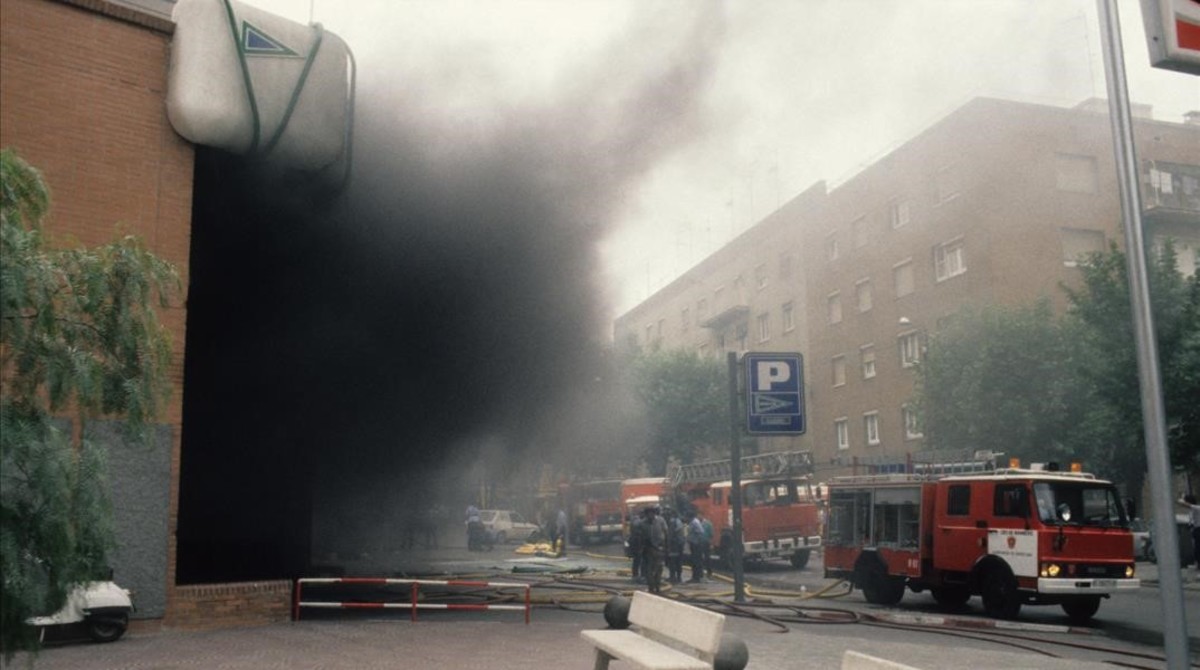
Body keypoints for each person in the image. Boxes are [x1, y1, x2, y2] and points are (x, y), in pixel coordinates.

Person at [646, 506, 668, 594]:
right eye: (648, 514)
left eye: (652, 513)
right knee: (649, 570)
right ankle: (651, 587)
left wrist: (666, 546)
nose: (650, 515)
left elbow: (666, 532)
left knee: (659, 569)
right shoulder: (643, 523)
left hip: (659, 549)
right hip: (648, 550)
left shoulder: (661, 520)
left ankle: (657, 586)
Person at [666, 509, 685, 584]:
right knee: (679, 561)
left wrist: (668, 544)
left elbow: (671, 534)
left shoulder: (672, 522)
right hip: (679, 544)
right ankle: (678, 577)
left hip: (673, 545)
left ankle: (672, 577)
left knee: (672, 561)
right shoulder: (679, 522)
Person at [687, 512, 706, 582]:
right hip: (694, 544)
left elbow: (701, 532)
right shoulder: (694, 522)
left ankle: (696, 577)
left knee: (696, 561)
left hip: (696, 545)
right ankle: (697, 576)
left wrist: (697, 541)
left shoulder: (695, 522)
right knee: (695, 561)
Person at [628, 512, 646, 583]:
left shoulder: (635, 521)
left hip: (636, 545)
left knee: (637, 561)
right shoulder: (639, 522)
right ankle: (642, 576)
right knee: (641, 560)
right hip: (638, 545)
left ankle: (636, 575)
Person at [700, 512, 714, 577]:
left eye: (699, 515)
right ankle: (701, 571)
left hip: (706, 543)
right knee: (700, 558)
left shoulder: (708, 524)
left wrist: (711, 543)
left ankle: (709, 571)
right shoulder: (698, 523)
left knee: (707, 557)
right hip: (700, 543)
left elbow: (711, 534)